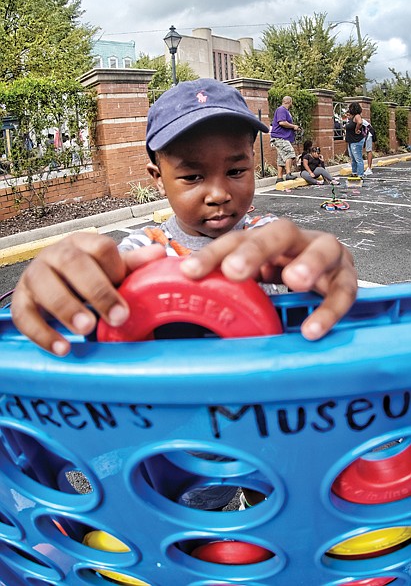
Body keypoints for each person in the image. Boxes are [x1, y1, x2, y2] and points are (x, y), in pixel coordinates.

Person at [11, 79, 357, 506]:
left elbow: (309, 254)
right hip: (183, 445)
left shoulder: (267, 239)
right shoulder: (146, 251)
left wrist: (330, 260)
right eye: (192, 176)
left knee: (275, 508)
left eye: (236, 170)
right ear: (159, 178)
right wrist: (58, 281)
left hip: (272, 426)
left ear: (254, 162)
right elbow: (97, 281)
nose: (218, 193)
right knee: (192, 519)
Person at [270, 96, 300, 182]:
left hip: (280, 137)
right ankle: (288, 174)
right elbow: (282, 122)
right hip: (280, 137)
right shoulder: (281, 110)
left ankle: (279, 178)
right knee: (290, 153)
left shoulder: (284, 110)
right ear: (289, 101)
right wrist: (293, 126)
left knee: (282, 158)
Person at [345, 102, 365, 178]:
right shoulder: (352, 117)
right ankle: (354, 173)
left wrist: (356, 129)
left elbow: (360, 122)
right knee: (353, 158)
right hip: (351, 141)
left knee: (358, 158)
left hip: (356, 141)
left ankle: (360, 175)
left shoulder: (357, 116)